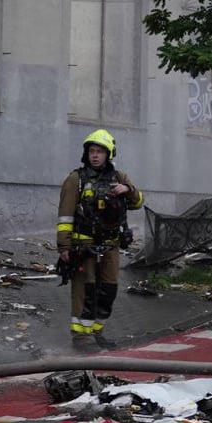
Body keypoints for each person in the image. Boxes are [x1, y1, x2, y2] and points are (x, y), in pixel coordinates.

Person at [56, 129, 144, 348]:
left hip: (111, 246)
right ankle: (81, 336)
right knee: (85, 290)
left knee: (108, 290)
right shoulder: (75, 179)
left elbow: (138, 203)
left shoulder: (120, 178)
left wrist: (128, 190)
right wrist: (65, 246)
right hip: (84, 246)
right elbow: (65, 215)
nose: (95, 155)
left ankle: (97, 332)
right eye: (92, 151)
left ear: (109, 154)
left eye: (100, 152)